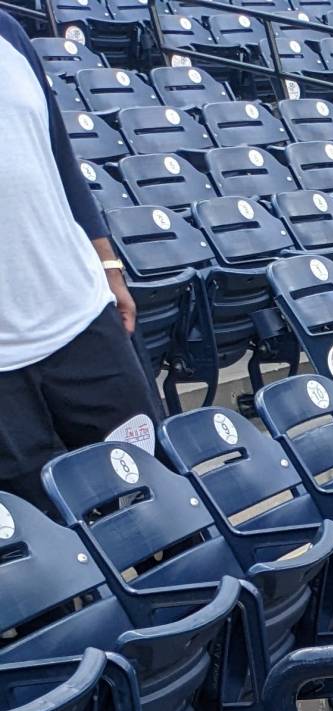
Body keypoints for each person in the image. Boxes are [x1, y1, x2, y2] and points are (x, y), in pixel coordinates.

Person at [0, 7, 155, 504]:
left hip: (82, 315)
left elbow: (60, 159)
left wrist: (108, 266)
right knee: (48, 554)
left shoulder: (7, 29)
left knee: (156, 499)